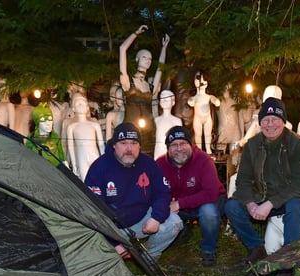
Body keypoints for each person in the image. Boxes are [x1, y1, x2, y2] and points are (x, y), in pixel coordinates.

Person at [224, 97, 300, 266]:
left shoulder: (297, 144)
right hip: (261, 194)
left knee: (296, 206)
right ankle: (256, 248)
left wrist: (270, 204)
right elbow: (242, 180)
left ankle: (290, 260)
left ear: (283, 122)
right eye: (265, 120)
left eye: (275, 120)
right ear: (260, 123)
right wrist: (251, 204)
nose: (270, 124)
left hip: (289, 197)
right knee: (232, 206)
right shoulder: (252, 145)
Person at [85, 122, 183, 262]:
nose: (129, 148)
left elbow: (162, 192)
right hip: (110, 229)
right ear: (114, 145)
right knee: (93, 249)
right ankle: (115, 253)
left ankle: (148, 257)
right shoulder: (99, 168)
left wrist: (156, 218)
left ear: (140, 146)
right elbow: (93, 211)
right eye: (123, 143)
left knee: (174, 222)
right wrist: (114, 242)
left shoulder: (148, 164)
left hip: (140, 222)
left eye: (134, 143)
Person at [156, 125, 227, 266]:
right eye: (174, 145)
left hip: (207, 202)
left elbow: (210, 193)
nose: (179, 148)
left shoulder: (204, 160)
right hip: (179, 205)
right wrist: (168, 202)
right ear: (168, 149)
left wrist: (180, 204)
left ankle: (209, 249)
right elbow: (155, 191)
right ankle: (181, 230)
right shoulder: (160, 164)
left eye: (183, 143)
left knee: (209, 213)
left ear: (191, 144)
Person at [119, 25, 170, 156]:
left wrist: (164, 48)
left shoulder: (150, 86)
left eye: (150, 59)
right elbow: (122, 49)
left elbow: (160, 69)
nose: (147, 61)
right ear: (137, 59)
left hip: (148, 133)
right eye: (144, 57)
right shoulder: (127, 82)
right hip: (130, 133)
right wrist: (136, 33)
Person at [65, 93, 105, 181]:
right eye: (77, 103)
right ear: (73, 109)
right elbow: (70, 147)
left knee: (98, 180)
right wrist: (74, 165)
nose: (80, 104)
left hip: (95, 155)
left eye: (83, 102)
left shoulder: (95, 125)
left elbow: (101, 144)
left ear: (87, 107)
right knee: (85, 181)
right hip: (81, 157)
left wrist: (104, 161)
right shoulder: (71, 127)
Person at [187, 72, 221, 156]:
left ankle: (208, 149)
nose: (201, 82)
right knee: (198, 134)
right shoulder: (195, 97)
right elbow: (191, 101)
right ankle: (199, 150)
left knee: (208, 134)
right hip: (197, 118)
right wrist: (191, 101)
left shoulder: (208, 96)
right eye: (199, 80)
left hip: (207, 118)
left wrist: (215, 101)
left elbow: (214, 100)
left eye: (204, 80)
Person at [25, 103, 66, 167]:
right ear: (37, 123)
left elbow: (62, 157)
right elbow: (27, 157)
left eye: (50, 119)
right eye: (43, 121)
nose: (48, 123)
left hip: (55, 171)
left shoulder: (55, 137)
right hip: (38, 170)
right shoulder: (32, 138)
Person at [154, 90, 183, 159]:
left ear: (173, 102)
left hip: (172, 151)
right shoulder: (156, 120)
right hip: (158, 150)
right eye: (162, 98)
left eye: (167, 99)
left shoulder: (177, 121)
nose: (164, 101)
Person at [216, 83, 243, 152]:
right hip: (223, 131)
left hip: (235, 132)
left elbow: (240, 118)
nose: (227, 86)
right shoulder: (217, 101)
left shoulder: (235, 102)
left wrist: (242, 135)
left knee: (235, 158)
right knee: (220, 157)